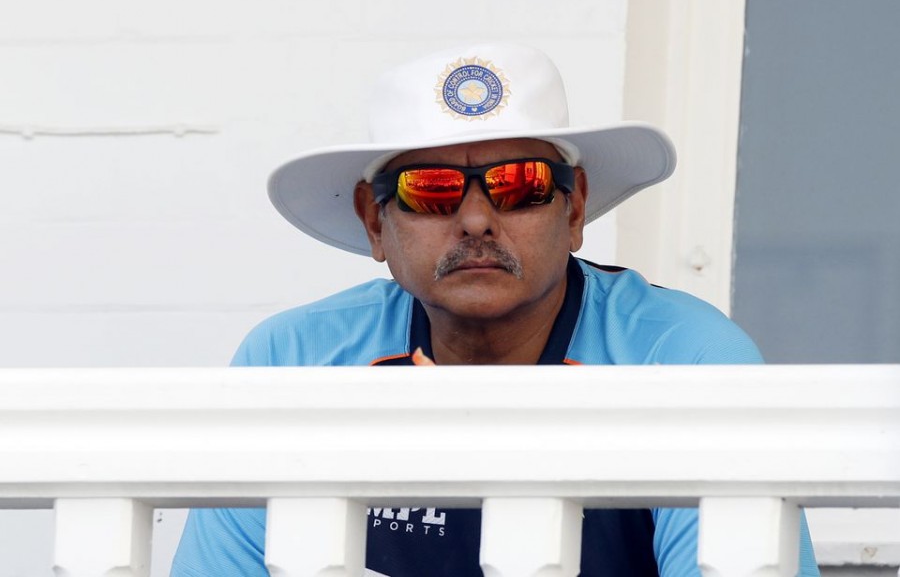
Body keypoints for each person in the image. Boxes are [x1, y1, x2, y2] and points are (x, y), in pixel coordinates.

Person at [171, 43, 819, 576]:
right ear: (375, 222)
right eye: (430, 190)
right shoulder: (293, 360)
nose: (476, 219)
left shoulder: (683, 355)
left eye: (521, 184)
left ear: (573, 209)